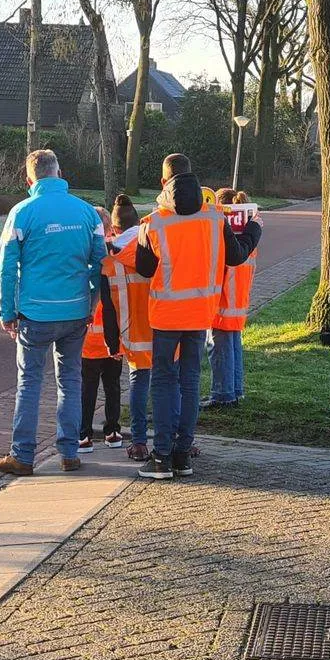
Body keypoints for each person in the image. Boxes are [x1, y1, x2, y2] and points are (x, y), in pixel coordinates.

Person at [134, 154, 258, 479]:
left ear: (164, 183)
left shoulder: (153, 223)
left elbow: (145, 269)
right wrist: (253, 230)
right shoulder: (215, 218)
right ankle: (182, 455)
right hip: (201, 313)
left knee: (163, 382)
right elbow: (236, 256)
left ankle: (161, 456)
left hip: (166, 315)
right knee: (190, 381)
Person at [0, 149, 107, 476]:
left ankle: (22, 456)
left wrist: (6, 311)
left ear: (30, 180)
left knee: (29, 382)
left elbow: (6, 267)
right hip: (75, 312)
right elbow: (101, 264)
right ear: (59, 172)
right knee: (70, 380)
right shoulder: (87, 213)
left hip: (35, 313)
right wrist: (91, 303)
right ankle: (69, 452)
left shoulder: (22, 212)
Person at [107, 194, 155, 461]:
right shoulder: (155, 244)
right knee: (170, 384)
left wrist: (112, 341)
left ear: (115, 228)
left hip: (132, 332)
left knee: (138, 384)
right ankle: (173, 439)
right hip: (163, 326)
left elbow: (108, 303)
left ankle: (138, 442)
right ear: (139, 222)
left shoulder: (111, 256)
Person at [205, 188, 259, 409]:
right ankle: (235, 390)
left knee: (219, 349)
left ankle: (223, 394)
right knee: (233, 346)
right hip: (237, 301)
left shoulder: (225, 238)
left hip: (221, 301)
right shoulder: (246, 237)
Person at [79, 208, 125, 453]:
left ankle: (84, 435)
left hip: (88, 339)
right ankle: (113, 431)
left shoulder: (83, 257)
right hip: (114, 337)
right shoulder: (118, 256)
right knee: (113, 386)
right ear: (110, 229)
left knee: (87, 389)